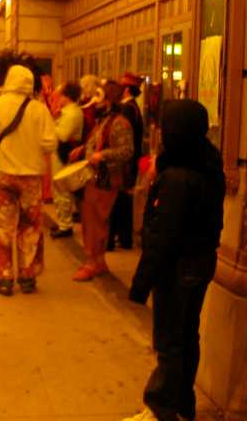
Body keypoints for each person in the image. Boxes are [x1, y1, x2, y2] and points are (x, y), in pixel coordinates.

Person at [123, 100, 225, 421]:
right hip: (198, 263)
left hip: (178, 268)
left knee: (170, 341)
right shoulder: (206, 162)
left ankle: (160, 408)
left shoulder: (178, 176)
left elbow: (163, 237)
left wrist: (140, 284)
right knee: (185, 337)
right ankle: (181, 404)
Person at [0, 61, 57, 296]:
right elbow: (50, 142)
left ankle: (3, 279)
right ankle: (28, 277)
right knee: (30, 227)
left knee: (2, 227)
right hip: (32, 177)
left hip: (4, 175)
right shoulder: (39, 109)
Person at [69, 80, 133, 281]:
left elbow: (127, 151)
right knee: (93, 221)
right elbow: (97, 141)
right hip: (96, 178)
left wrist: (102, 156)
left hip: (104, 179)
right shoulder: (105, 119)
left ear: (108, 99)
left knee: (94, 222)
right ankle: (99, 261)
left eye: (99, 96)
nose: (94, 100)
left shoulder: (120, 122)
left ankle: (92, 263)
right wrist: (84, 149)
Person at [109, 72, 144, 250]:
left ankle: (123, 236)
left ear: (127, 89)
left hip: (125, 164)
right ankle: (123, 237)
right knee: (122, 200)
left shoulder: (128, 109)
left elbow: (123, 139)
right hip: (129, 162)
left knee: (121, 200)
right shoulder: (131, 107)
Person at [50, 81, 84, 239]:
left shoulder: (71, 113)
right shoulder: (68, 112)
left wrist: (51, 124)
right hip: (62, 152)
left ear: (67, 96)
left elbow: (62, 135)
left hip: (65, 153)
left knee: (62, 190)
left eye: (61, 94)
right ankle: (63, 221)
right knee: (60, 189)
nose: (58, 97)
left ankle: (65, 225)